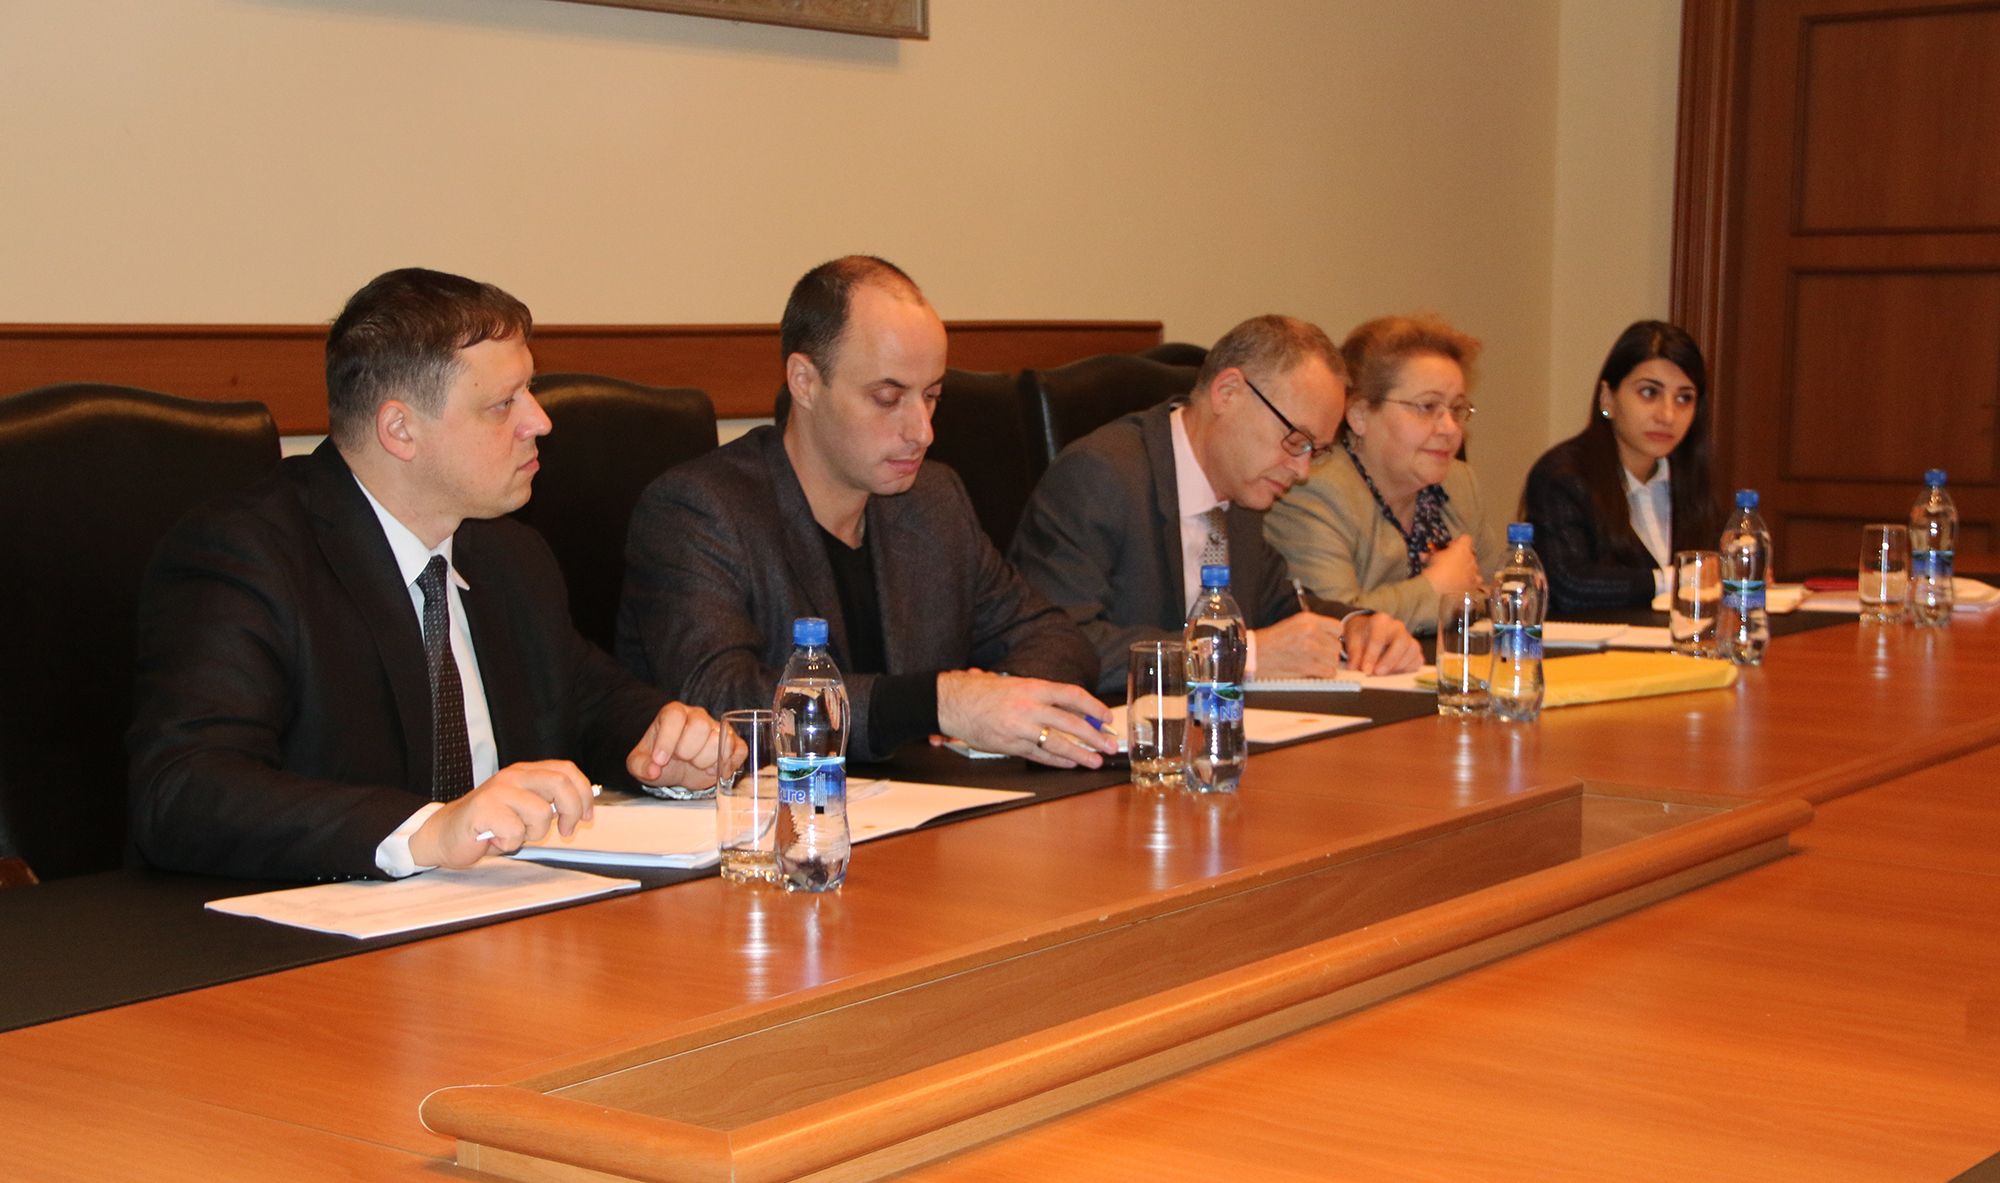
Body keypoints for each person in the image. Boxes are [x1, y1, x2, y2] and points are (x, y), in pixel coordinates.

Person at [128, 268, 726, 882]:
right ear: (400, 430)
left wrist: (667, 747)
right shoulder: (249, 556)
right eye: (503, 404)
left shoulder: (508, 554)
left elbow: (587, 702)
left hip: (505, 910)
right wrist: (425, 830)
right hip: (317, 923)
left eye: (530, 390)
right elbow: (183, 790)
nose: (540, 421)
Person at [617, 256, 1115, 769]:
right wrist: (936, 704)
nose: (922, 431)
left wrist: (993, 704)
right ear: (804, 382)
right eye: (887, 397)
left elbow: (1055, 638)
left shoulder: (934, 500)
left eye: (932, 396)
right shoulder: (698, 510)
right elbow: (721, 699)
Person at [1008, 314, 1423, 699]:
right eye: (1295, 440)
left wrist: (1356, 627)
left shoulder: (1242, 489)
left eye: (1315, 451)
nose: (1301, 470)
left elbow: (1281, 604)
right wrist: (1241, 654)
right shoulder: (1101, 476)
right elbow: (1056, 644)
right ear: (1228, 392)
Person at [1263, 314, 1506, 633]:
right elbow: (1330, 621)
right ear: (1360, 415)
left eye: (1457, 409)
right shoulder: (1312, 490)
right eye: (1427, 407)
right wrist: (1436, 588)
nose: (1450, 429)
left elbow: (1498, 600)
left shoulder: (1460, 484)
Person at [1523, 320, 1720, 612]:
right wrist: (1678, 579)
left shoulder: (1689, 478)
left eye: (1684, 398)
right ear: (1608, 398)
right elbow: (1569, 585)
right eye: (1649, 393)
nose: (1667, 415)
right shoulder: (1563, 477)